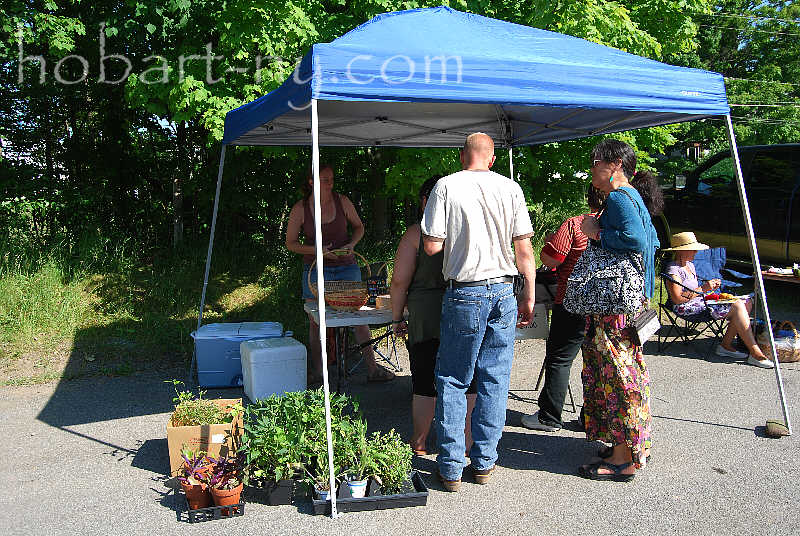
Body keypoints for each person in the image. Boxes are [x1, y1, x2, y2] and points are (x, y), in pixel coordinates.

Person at [421, 133, 536, 491]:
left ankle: (452, 467)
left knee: (454, 378)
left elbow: (430, 246)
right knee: (494, 378)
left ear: (461, 156)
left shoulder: (445, 186)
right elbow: (525, 250)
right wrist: (529, 294)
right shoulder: (511, 189)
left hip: (466, 291)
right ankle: (484, 463)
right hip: (505, 290)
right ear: (492, 158)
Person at [578, 139, 660, 481]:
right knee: (620, 373)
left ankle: (623, 460)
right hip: (629, 303)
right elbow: (652, 241)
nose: (592, 168)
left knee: (618, 377)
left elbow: (637, 242)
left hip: (615, 308)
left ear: (614, 165)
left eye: (596, 161)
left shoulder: (618, 198)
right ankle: (622, 446)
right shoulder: (633, 197)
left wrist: (596, 233)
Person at [390, 177, 478, 456]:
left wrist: (395, 317)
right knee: (466, 378)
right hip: (464, 309)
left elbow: (399, 281)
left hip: (426, 316)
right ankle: (465, 441)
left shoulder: (415, 234)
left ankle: (419, 442)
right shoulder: (467, 229)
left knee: (425, 379)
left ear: (425, 201)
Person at [284, 164, 395, 384]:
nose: (329, 184)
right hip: (315, 269)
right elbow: (291, 243)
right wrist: (318, 251)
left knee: (359, 316)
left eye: (331, 179)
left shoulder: (342, 201)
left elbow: (359, 227)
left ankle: (372, 369)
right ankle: (319, 372)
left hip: (347, 265)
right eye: (324, 180)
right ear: (311, 181)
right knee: (316, 320)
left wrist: (352, 244)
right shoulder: (300, 208)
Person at [520, 185, 607, 433]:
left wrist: (548, 243)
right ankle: (591, 416)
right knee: (597, 361)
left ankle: (549, 416)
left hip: (571, 301)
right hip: (604, 304)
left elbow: (551, 259)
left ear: (588, 197)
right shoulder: (615, 227)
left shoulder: (575, 224)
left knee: (559, 359)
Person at [662, 231, 774, 368]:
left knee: (746, 302)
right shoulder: (673, 270)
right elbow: (678, 299)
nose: (696, 252)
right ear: (682, 251)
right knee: (738, 306)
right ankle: (755, 352)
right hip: (686, 308)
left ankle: (725, 345)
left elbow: (696, 290)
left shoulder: (689, 265)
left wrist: (708, 287)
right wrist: (704, 288)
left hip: (701, 301)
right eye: (693, 249)